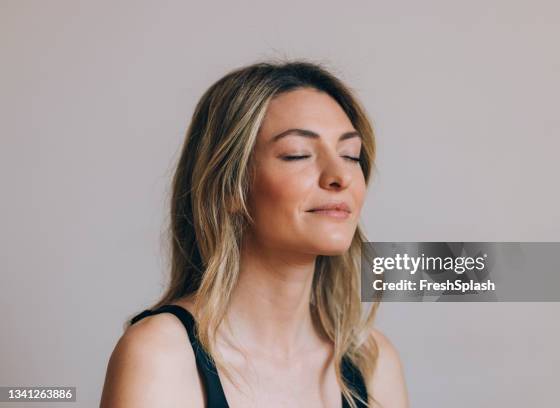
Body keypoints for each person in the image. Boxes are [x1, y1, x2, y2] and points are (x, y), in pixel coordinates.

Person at [100, 59, 410, 408]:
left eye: (351, 155)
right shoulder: (161, 355)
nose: (340, 176)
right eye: (298, 154)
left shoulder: (373, 362)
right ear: (228, 188)